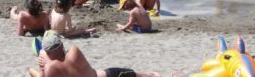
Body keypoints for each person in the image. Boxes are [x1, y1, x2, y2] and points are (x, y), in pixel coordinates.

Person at [30, 30, 161, 77]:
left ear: (46, 53)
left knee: (31, 71)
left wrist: (44, 63)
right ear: (62, 44)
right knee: (133, 74)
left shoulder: (51, 68)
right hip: (107, 75)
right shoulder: (74, 51)